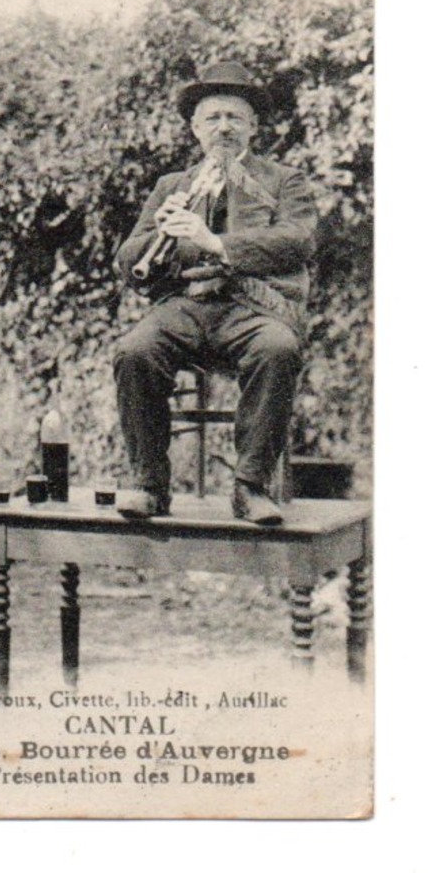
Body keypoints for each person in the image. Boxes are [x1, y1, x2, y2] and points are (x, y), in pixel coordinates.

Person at [113, 62, 318, 526]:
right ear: (195, 129)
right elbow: (129, 260)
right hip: (185, 306)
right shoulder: (172, 185)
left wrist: (216, 243)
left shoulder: (285, 180)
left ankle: (250, 487)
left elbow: (298, 240)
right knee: (134, 351)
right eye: (212, 118)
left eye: (234, 117)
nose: (223, 127)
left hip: (254, 305)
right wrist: (156, 236)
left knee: (278, 348)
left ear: (253, 127)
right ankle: (148, 484)